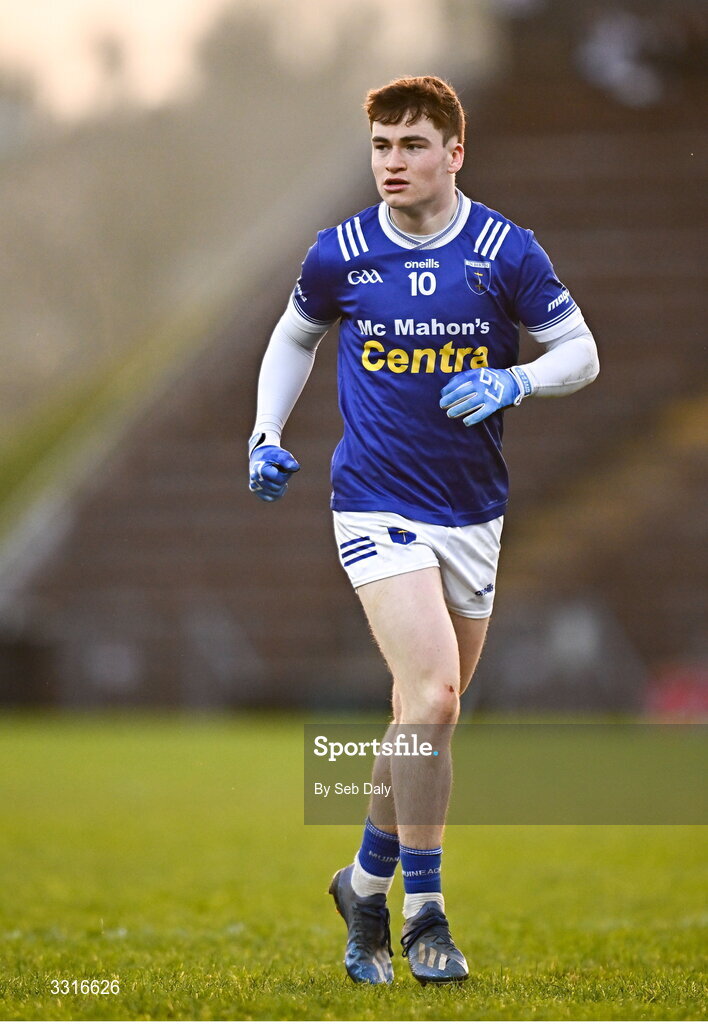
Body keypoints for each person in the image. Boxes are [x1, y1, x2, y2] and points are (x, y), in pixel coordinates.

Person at [248, 75, 599, 986]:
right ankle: (425, 914)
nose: (392, 163)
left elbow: (581, 352)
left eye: (411, 145)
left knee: (421, 719)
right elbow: (295, 337)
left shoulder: (503, 252)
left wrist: (515, 380)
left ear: (454, 151)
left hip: (473, 512)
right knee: (435, 698)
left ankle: (362, 882)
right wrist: (265, 432)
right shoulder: (342, 254)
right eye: (380, 147)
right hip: (374, 503)